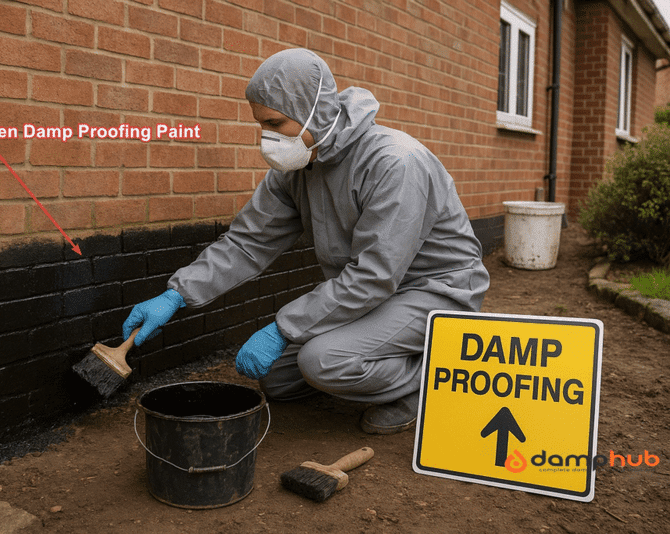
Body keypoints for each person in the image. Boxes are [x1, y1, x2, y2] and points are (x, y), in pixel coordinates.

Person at [122, 48, 489, 434]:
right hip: (372, 293)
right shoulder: (298, 166)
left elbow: (374, 275)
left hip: (434, 291)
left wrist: (282, 328)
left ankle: (428, 380)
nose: (267, 139)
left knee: (322, 362)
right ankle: (369, 364)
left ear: (312, 110)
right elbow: (248, 243)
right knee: (278, 380)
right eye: (261, 125)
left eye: (275, 123)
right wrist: (177, 294)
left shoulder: (394, 161)